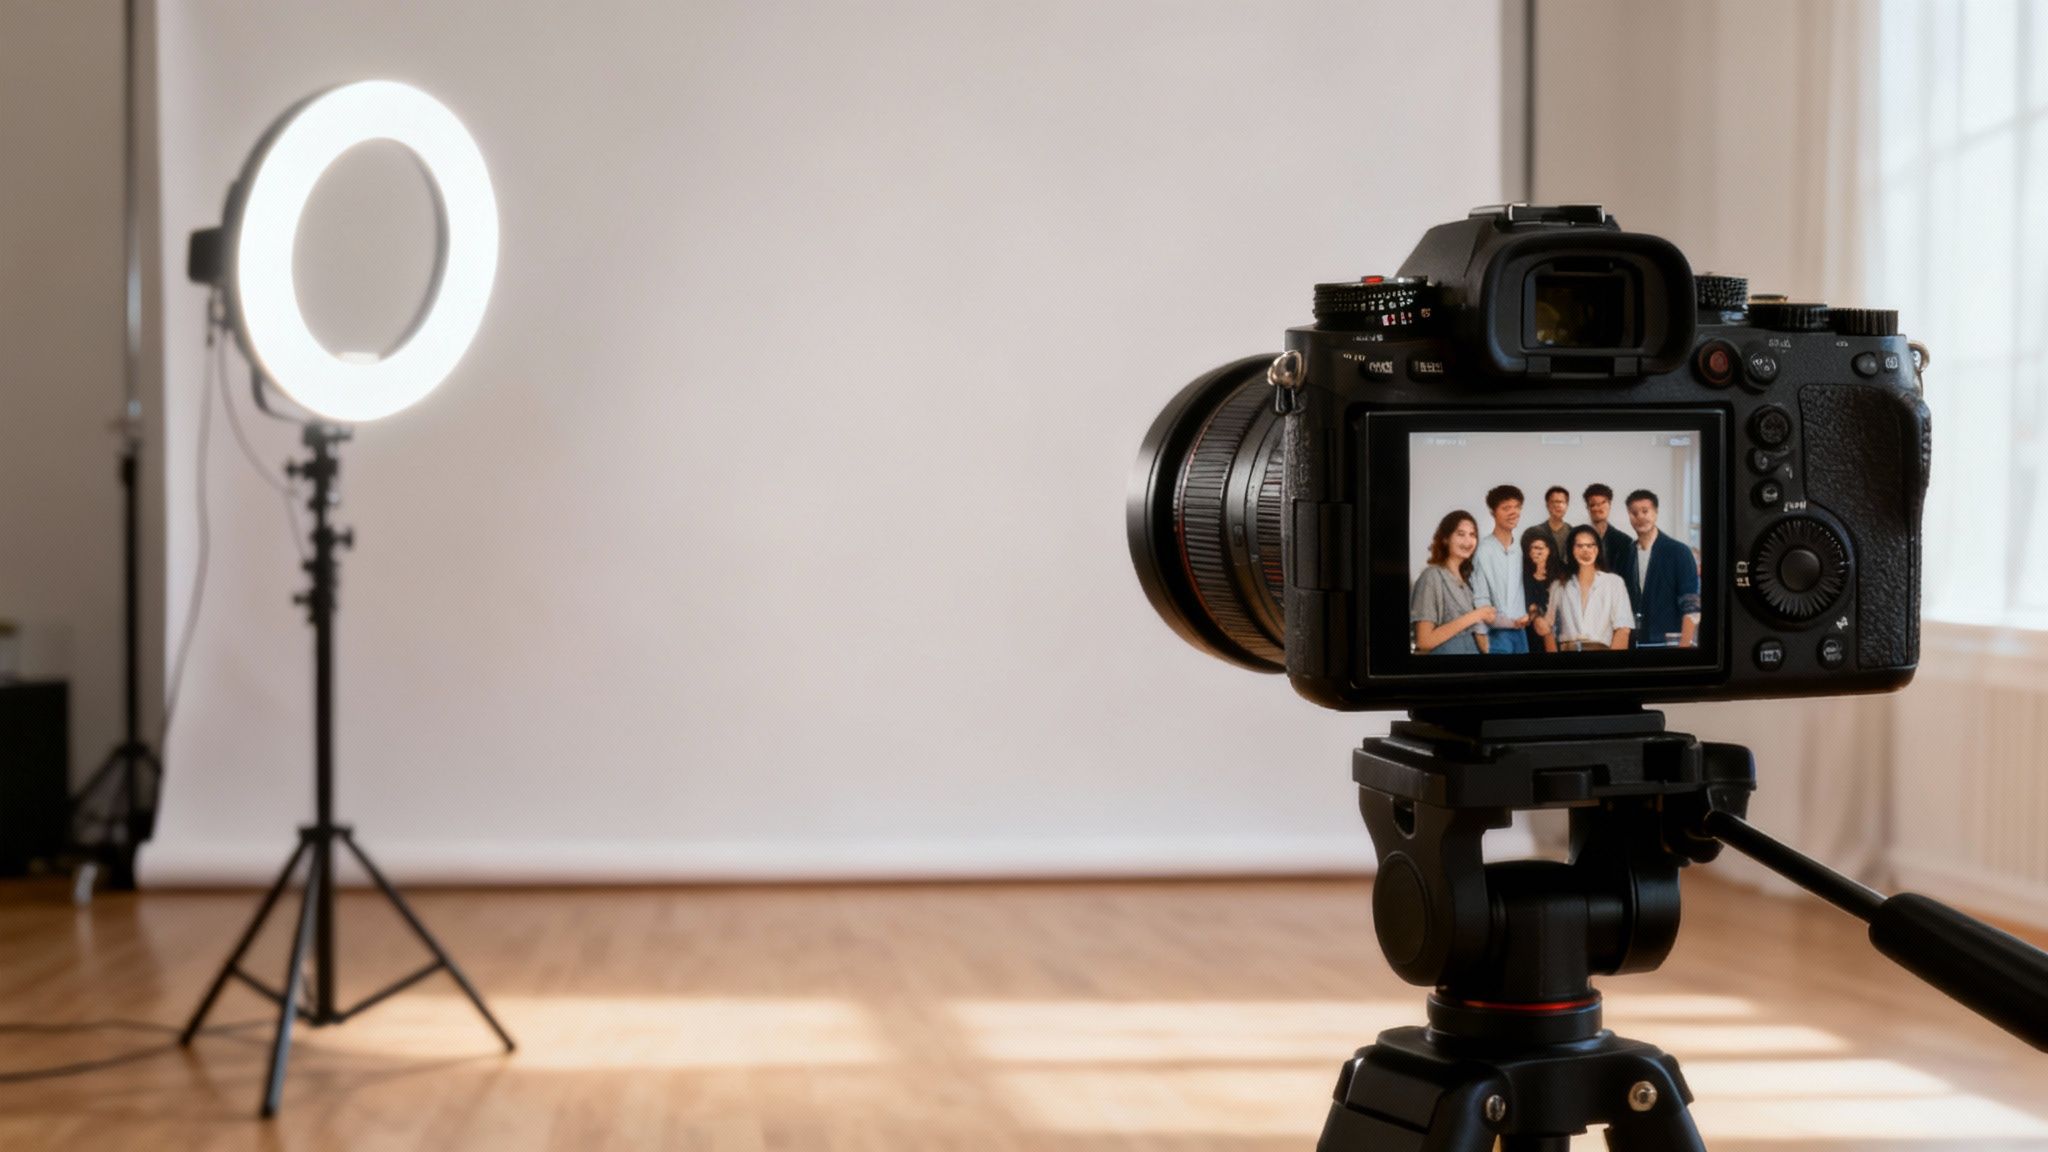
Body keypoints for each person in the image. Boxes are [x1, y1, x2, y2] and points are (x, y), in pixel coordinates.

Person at [1624, 489, 1701, 647]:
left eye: (1645, 511)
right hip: (1634, 644)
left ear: (1656, 512)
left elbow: (1691, 605)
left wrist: (1684, 646)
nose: (1640, 517)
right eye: (1634, 513)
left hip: (1667, 643)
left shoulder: (1679, 552)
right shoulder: (1627, 553)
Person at [1410, 510, 1494, 654]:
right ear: (1445, 539)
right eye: (1461, 534)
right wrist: (1475, 615)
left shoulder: (1469, 584)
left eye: (1472, 535)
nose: (1468, 541)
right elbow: (1424, 642)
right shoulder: (1432, 576)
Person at [1545, 524, 1634, 651]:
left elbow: (1623, 629)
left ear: (1598, 549)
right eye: (1579, 546)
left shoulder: (1614, 583)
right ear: (1571, 550)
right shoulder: (1558, 585)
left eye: (1590, 545)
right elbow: (1547, 628)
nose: (1585, 550)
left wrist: (1613, 667)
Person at [1469, 485, 1529, 654]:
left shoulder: (1521, 549)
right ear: (1492, 512)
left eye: (1517, 507)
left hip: (1521, 634)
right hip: (1495, 635)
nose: (1513, 512)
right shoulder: (1482, 550)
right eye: (1506, 508)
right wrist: (1483, 641)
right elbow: (1480, 598)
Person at [1581, 483, 1638, 627]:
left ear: (1610, 504)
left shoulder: (1624, 541)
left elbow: (1630, 582)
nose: (1597, 508)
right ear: (1587, 508)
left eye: (1602, 503)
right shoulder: (1578, 538)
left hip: (1615, 609)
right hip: (1584, 608)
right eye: (1592, 504)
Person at [1522, 532, 1558, 653]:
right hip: (1533, 635)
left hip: (1559, 633)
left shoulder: (1560, 575)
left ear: (1549, 550)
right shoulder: (1524, 577)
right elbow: (1530, 606)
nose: (1534, 551)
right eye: (1531, 548)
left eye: (1539, 548)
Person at [1520, 485, 1573, 564]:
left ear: (1567, 505)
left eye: (1562, 502)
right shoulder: (1532, 533)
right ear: (1547, 505)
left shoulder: (1573, 533)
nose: (1558, 505)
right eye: (1554, 502)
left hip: (1567, 576)